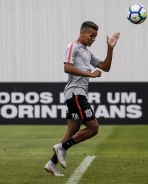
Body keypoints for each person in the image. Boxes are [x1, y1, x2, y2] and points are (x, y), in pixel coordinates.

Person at [44, 21, 120, 176]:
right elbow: (67, 67)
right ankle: (62, 148)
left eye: (95, 37)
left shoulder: (86, 51)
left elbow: (105, 67)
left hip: (77, 94)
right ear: (82, 33)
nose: (93, 39)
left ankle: (52, 163)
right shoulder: (73, 46)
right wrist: (90, 74)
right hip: (75, 94)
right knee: (93, 128)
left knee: (73, 129)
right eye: (91, 35)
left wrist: (110, 48)